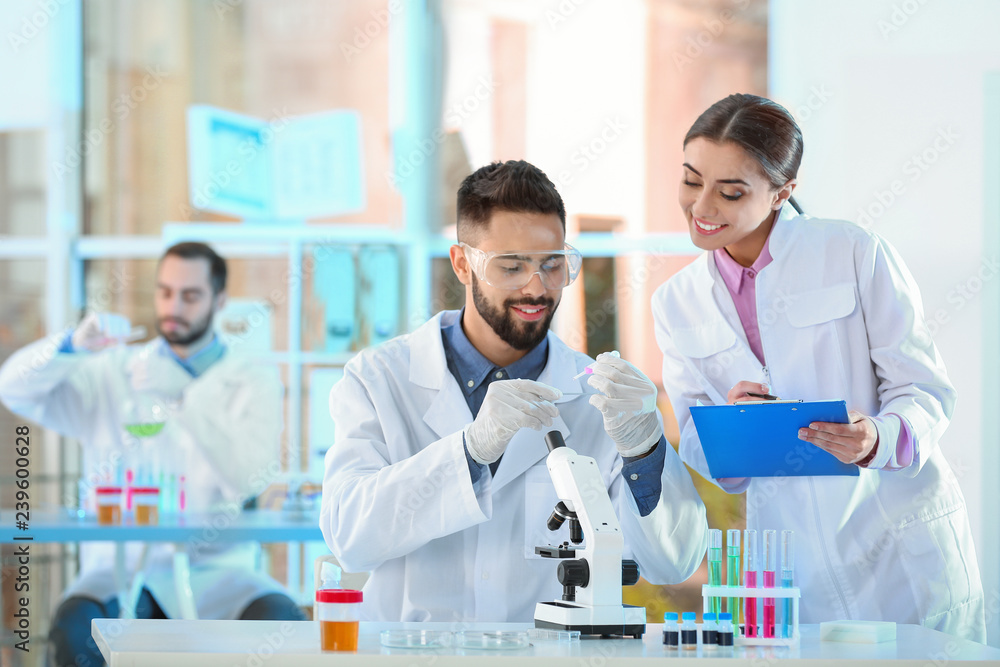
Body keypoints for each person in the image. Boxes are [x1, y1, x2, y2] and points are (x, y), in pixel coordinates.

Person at [651, 93, 985, 640]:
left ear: (783, 192)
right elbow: (695, 437)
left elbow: (924, 389)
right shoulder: (675, 301)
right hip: (791, 564)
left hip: (897, 548)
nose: (701, 207)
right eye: (691, 180)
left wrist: (877, 437)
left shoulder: (853, 253)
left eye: (730, 191)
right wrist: (733, 430)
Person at [321, 160, 708, 622]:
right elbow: (348, 536)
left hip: (543, 654)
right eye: (511, 266)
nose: (536, 287)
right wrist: (469, 451)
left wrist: (646, 449)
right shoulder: (378, 379)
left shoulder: (597, 396)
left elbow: (673, 562)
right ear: (463, 264)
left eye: (552, 265)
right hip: (413, 654)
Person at [0, 242, 305, 666]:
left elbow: (248, 479)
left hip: (218, 572)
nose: (173, 306)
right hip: (120, 571)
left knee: (282, 622)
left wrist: (184, 397)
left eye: (190, 295)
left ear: (219, 300)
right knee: (75, 631)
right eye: (165, 292)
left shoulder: (251, 379)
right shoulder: (113, 372)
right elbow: (13, 388)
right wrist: (70, 346)